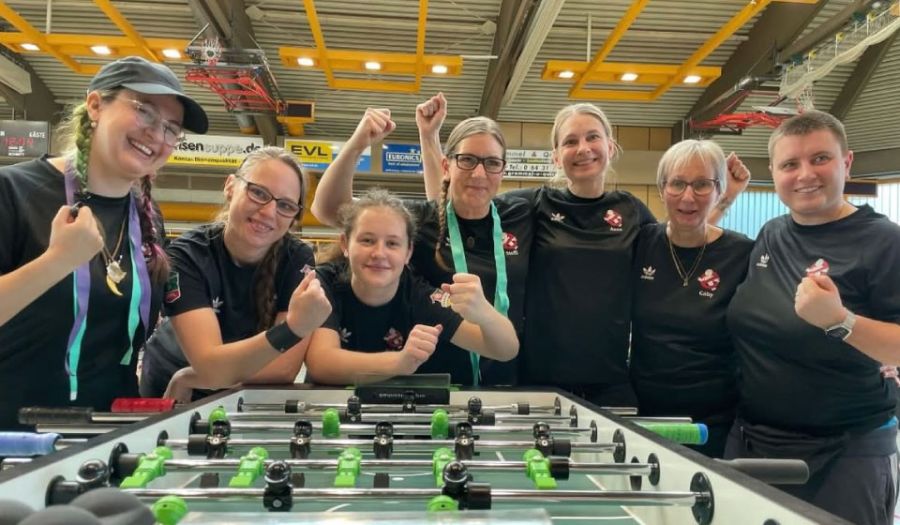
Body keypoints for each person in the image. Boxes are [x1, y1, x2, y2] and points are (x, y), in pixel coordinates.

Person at [0, 56, 209, 430]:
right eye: (144, 111)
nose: (156, 134)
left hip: (107, 435)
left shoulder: (148, 218)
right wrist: (57, 261)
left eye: (171, 128)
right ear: (95, 105)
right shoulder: (13, 191)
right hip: (14, 436)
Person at [503, 103, 749, 407]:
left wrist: (721, 199)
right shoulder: (532, 205)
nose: (583, 148)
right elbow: (468, 206)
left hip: (610, 381)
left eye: (593, 137)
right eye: (570, 141)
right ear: (555, 156)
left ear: (610, 147)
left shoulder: (630, 209)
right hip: (540, 379)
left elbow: (682, 238)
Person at [726, 110, 900, 524]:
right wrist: (722, 200)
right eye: (790, 164)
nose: (805, 174)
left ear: (846, 163)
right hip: (753, 443)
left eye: (820, 158)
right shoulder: (772, 233)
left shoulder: (884, 242)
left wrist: (841, 321)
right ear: (773, 173)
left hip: (844, 455)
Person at [311, 94, 532, 385]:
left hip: (499, 383)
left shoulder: (520, 212)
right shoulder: (416, 224)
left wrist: (484, 313)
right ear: (447, 165)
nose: (479, 173)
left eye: (492, 162)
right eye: (467, 160)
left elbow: (506, 348)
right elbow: (331, 210)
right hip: (434, 378)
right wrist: (357, 145)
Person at [139, 147, 332, 402]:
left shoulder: (296, 258)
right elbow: (210, 365)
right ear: (230, 186)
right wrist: (293, 328)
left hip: (218, 384)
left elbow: (285, 367)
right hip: (172, 385)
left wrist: (191, 376)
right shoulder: (187, 256)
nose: (268, 212)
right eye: (258, 192)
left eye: (285, 205)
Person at [305, 189, 518, 385]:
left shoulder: (419, 297)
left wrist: (485, 313)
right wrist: (400, 362)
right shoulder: (324, 283)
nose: (379, 253)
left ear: (408, 252)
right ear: (345, 244)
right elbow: (321, 363)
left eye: (392, 244)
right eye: (367, 240)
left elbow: (505, 350)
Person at [630, 139, 754, 457]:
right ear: (662, 189)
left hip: (718, 423)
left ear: (719, 190)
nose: (688, 196)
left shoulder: (743, 254)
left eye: (702, 184)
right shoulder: (641, 243)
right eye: (677, 184)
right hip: (645, 417)